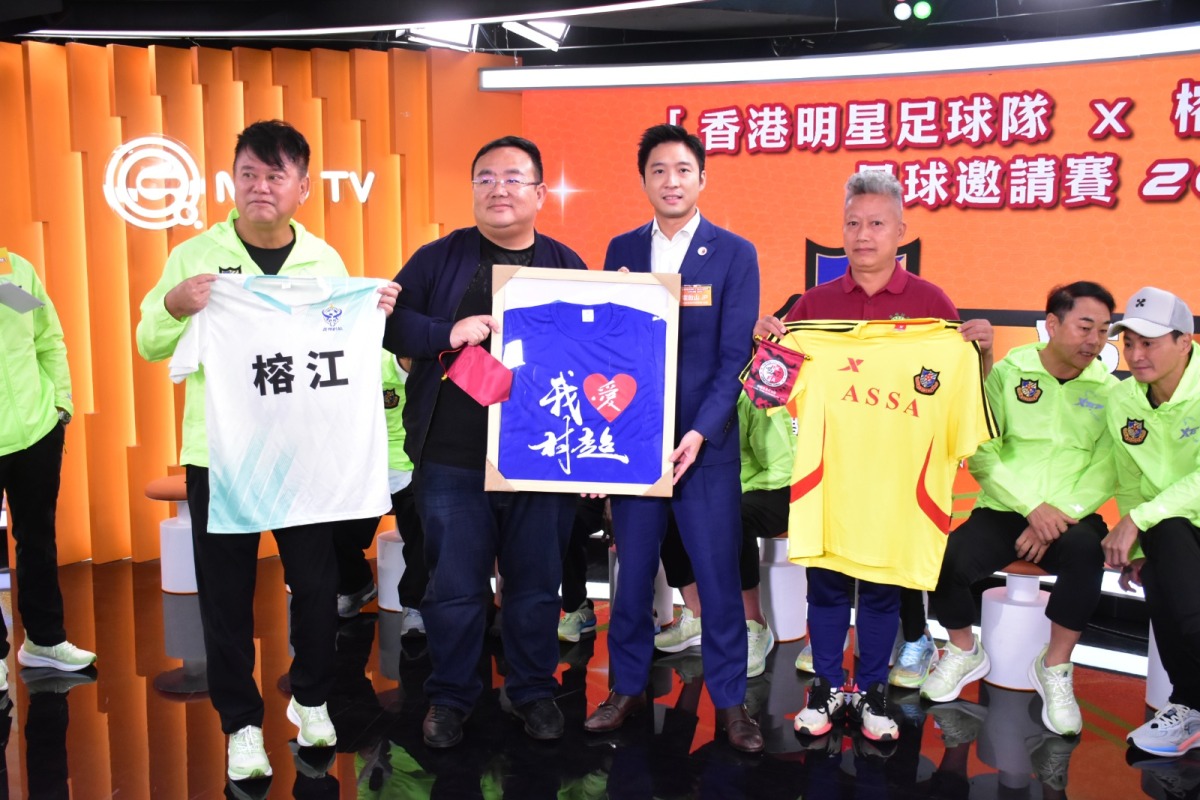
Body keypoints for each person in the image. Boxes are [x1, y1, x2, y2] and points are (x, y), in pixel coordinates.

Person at [136, 120, 399, 781]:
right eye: (249, 173)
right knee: (224, 596)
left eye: (276, 175)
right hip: (220, 455)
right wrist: (174, 304)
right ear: (231, 180)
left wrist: (380, 322)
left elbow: (344, 352)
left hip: (303, 453)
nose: (260, 186)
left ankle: (310, 698)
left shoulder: (325, 261)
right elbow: (149, 343)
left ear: (303, 187)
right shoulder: (196, 255)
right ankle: (241, 725)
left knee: (316, 585)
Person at [755, 170, 993, 744]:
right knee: (827, 587)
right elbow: (768, 393)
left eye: (877, 223)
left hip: (896, 483)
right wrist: (766, 345)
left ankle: (873, 692)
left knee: (884, 590)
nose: (863, 235)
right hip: (829, 480)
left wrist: (980, 355)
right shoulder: (812, 308)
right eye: (853, 223)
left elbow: (960, 396)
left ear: (901, 231)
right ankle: (825, 689)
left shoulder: (933, 305)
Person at [382, 135, 584, 749]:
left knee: (536, 584)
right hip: (452, 456)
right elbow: (392, 325)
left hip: (543, 458)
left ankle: (532, 690)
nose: (499, 188)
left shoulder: (567, 264)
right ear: (472, 189)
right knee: (454, 587)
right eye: (486, 178)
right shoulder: (437, 259)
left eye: (514, 178)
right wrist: (449, 331)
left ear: (540, 193)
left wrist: (626, 301)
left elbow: (597, 355)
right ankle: (449, 696)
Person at [581, 124, 764, 753]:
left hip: (703, 450)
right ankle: (626, 688)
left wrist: (699, 432)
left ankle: (733, 704)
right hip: (633, 445)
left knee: (717, 581)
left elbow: (735, 357)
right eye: (658, 170)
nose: (671, 181)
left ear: (702, 178)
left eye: (683, 169)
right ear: (644, 180)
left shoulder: (734, 253)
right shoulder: (623, 248)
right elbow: (606, 348)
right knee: (631, 579)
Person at [920, 282, 1117, 738]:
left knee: (1087, 553)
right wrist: (1032, 508)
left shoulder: (1111, 391)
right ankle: (964, 649)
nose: (1095, 341)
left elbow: (1107, 468)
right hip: (1006, 507)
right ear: (1052, 325)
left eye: (1104, 331)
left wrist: (1055, 515)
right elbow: (982, 451)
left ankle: (1055, 667)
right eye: (1085, 327)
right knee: (945, 560)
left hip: (1071, 514)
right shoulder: (1010, 373)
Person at [1100, 287, 1200, 758]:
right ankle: (1189, 706)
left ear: (1185, 341)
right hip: (1170, 528)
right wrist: (1136, 548)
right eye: (1129, 343)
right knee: (1161, 569)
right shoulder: (1123, 398)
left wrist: (1139, 520)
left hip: (1171, 520)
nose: (1136, 355)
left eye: (1150, 342)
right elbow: (1130, 477)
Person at [0, 248, 97, 691]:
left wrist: (60, 404)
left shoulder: (15, 268)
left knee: (37, 539)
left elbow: (47, 338)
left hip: (36, 430)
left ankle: (44, 639)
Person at [653, 389, 796, 678]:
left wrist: (724, 494)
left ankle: (755, 625)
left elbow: (782, 468)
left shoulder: (755, 394)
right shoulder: (687, 396)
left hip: (777, 488)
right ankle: (696, 615)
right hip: (724, 486)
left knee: (731, 516)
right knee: (669, 510)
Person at [333, 352, 427, 637]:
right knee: (334, 527)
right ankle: (356, 585)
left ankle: (415, 605)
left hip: (417, 466)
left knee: (423, 530)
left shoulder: (438, 366)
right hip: (369, 465)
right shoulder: (371, 359)